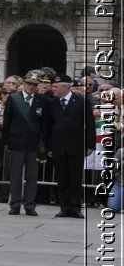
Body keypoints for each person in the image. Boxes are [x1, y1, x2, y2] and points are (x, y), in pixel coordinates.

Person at [44, 72, 90, 218]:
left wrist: (89, 145)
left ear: (66, 87)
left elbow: (89, 124)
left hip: (76, 145)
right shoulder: (52, 103)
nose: (54, 89)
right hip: (58, 146)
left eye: (56, 86)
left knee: (75, 178)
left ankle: (75, 207)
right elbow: (48, 127)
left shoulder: (81, 102)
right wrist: (49, 146)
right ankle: (64, 207)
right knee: (61, 178)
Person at [3, 70, 46, 216]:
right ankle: (14, 204)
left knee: (32, 176)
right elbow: (7, 121)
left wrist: (44, 143)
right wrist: (6, 141)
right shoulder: (14, 98)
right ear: (24, 83)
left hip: (34, 143)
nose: (31, 87)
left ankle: (30, 205)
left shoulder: (42, 100)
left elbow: (44, 124)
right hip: (16, 142)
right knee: (15, 175)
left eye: (34, 84)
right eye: (28, 83)